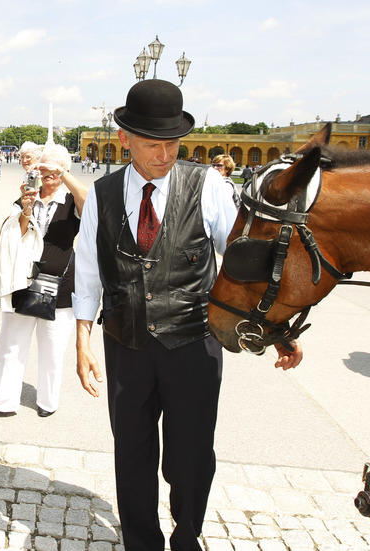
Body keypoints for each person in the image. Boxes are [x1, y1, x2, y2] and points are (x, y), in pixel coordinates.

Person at [72, 79, 303, 551]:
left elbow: (241, 263)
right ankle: (142, 540)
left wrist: (276, 328)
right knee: (132, 451)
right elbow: (89, 270)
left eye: (172, 143)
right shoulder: (102, 194)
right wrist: (82, 342)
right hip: (126, 342)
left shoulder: (209, 186)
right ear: (125, 139)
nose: (164, 153)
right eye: (153, 143)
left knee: (191, 452)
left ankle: (187, 531)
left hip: (194, 342)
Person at [0, 144, 88, 423]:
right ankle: (2, 398)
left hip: (60, 285)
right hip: (22, 281)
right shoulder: (27, 195)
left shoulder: (70, 200)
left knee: (53, 347)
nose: (46, 174)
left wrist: (61, 173)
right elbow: (16, 233)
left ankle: (47, 400)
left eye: (53, 169)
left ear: (63, 170)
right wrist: (26, 209)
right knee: (11, 343)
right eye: (43, 167)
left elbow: (89, 202)